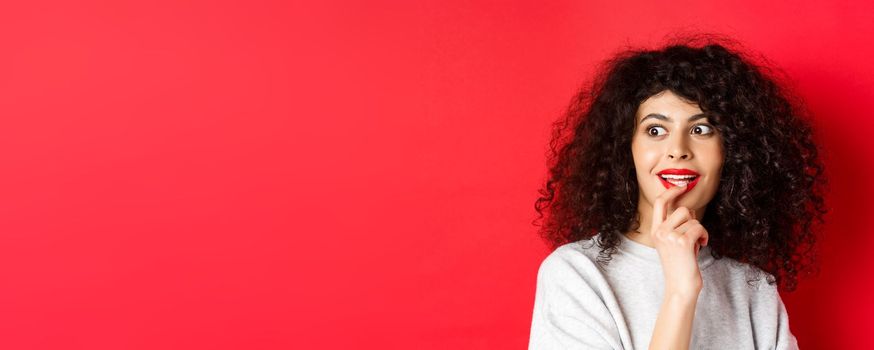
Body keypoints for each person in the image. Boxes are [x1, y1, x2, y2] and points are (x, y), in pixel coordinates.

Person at [528, 35, 828, 350]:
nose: (678, 150)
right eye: (655, 130)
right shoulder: (577, 274)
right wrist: (680, 292)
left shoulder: (753, 287)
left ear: (732, 151)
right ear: (625, 149)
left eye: (701, 129)